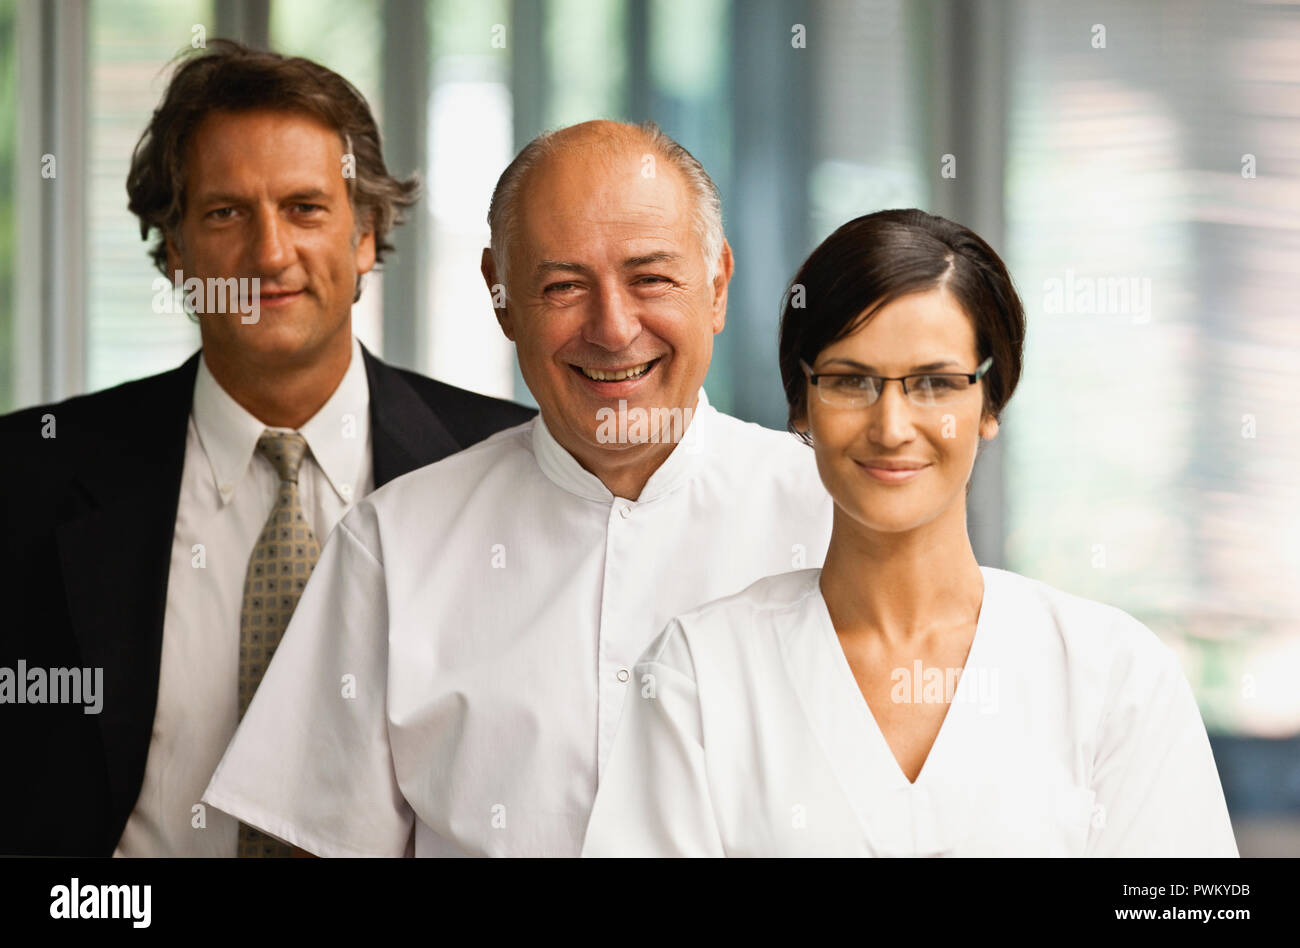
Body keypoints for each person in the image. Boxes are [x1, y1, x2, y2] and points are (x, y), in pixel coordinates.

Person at [200, 119, 834, 857]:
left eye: (651, 279)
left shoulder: (836, 521)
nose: (612, 326)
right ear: (501, 298)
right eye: (563, 286)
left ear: (717, 286)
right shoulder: (391, 545)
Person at [0, 40, 534, 857]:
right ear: (174, 250)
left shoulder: (506, 466)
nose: (270, 254)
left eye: (305, 208)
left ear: (365, 236)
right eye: (225, 213)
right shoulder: (26, 478)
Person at [581, 209, 1239, 857]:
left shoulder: (1112, 676)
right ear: (801, 405)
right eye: (850, 381)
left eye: (933, 383)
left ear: (991, 402)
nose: (892, 426)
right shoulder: (699, 675)